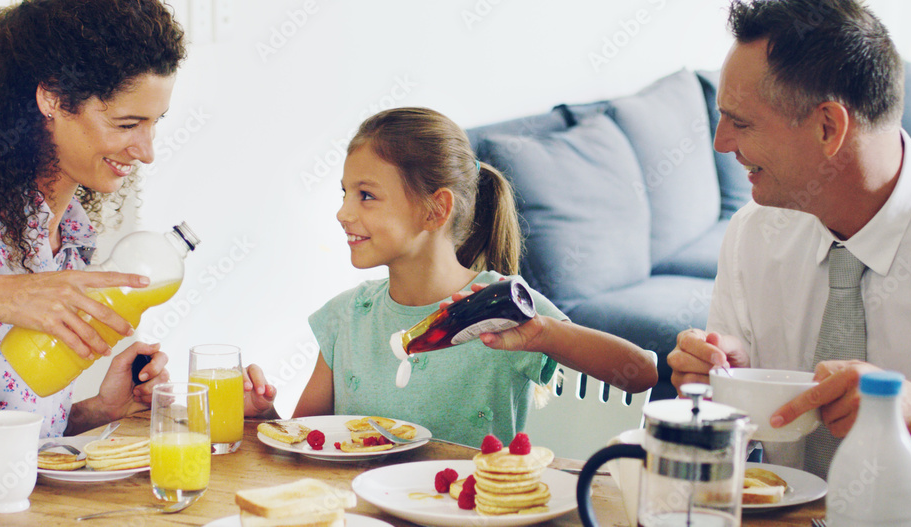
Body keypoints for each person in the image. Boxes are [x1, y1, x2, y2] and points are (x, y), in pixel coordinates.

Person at [243, 107, 657, 446]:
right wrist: (265, 417)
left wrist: (546, 334)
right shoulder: (345, 318)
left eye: (366, 195)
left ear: (435, 210)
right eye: (345, 193)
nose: (343, 213)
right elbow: (305, 441)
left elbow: (641, 372)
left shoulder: (502, 306)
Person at [0, 0, 186, 484]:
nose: (146, 151)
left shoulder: (73, 244)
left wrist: (99, 409)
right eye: (127, 124)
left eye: (154, 123)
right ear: (53, 100)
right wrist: (2, 295)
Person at [667, 0, 911, 478]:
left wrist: (909, 411)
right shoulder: (754, 234)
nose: (721, 143)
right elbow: (729, 456)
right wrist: (725, 384)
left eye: (740, 122)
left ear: (828, 127)